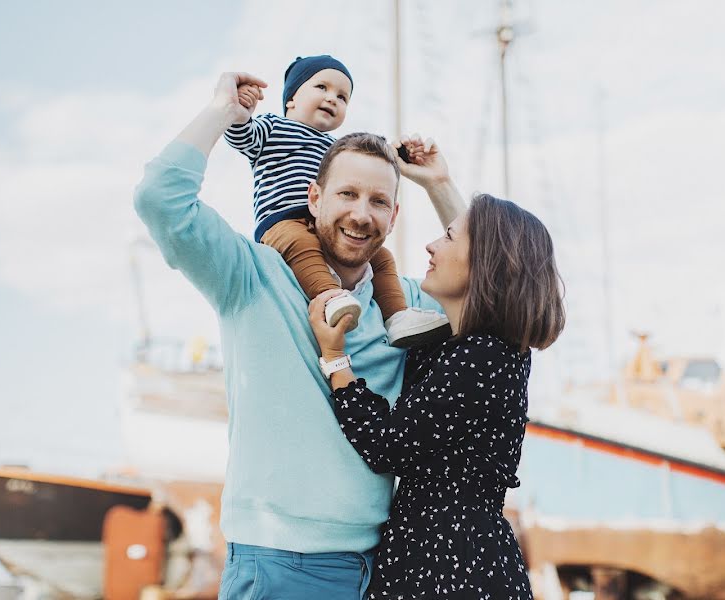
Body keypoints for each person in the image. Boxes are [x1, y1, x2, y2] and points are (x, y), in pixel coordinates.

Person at [133, 71, 466, 600]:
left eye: (379, 201)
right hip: (278, 565)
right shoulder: (250, 275)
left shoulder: (407, 306)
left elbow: (495, 285)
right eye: (347, 194)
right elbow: (160, 199)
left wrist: (440, 184)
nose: (361, 214)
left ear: (395, 215)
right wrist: (222, 111)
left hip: (383, 567)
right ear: (314, 198)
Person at [308, 152, 566, 599]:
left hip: (451, 566)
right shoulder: (474, 346)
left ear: (482, 264)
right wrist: (438, 183)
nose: (430, 246)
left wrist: (335, 357)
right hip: (447, 557)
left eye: (446, 238)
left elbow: (387, 445)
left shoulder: (482, 356)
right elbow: (482, 243)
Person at [224, 54, 449, 347]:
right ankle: (329, 296)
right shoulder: (273, 128)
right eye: (322, 88)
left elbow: (371, 157)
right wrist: (239, 113)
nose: (332, 99)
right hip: (282, 220)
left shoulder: (336, 147)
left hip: (323, 222)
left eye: (342, 96)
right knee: (301, 245)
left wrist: (398, 151)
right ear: (291, 99)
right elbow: (243, 136)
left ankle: (397, 316)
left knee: (381, 257)